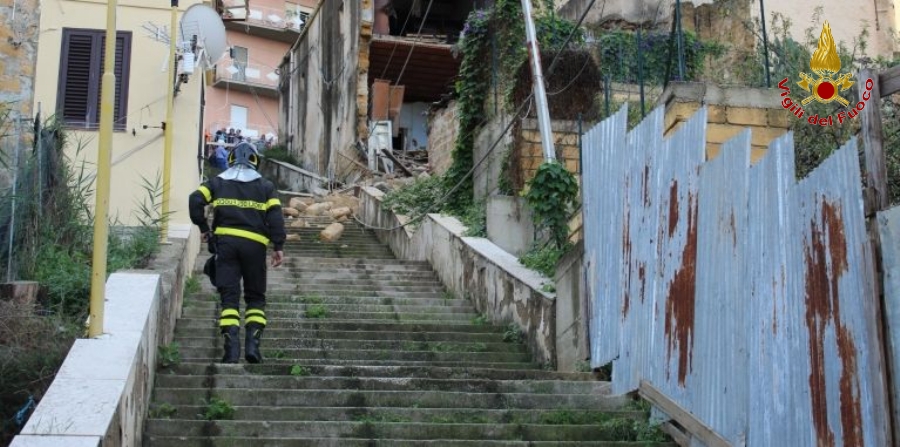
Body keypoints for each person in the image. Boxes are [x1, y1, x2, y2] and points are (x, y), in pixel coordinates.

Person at [189, 142, 286, 364]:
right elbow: (276, 219)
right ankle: (253, 347)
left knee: (229, 299)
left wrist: (204, 228)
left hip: (227, 245)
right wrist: (278, 246)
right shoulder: (266, 186)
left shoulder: (217, 182)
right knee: (255, 297)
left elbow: (195, 199)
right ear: (255, 161)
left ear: (231, 159)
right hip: (255, 247)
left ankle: (231, 352)